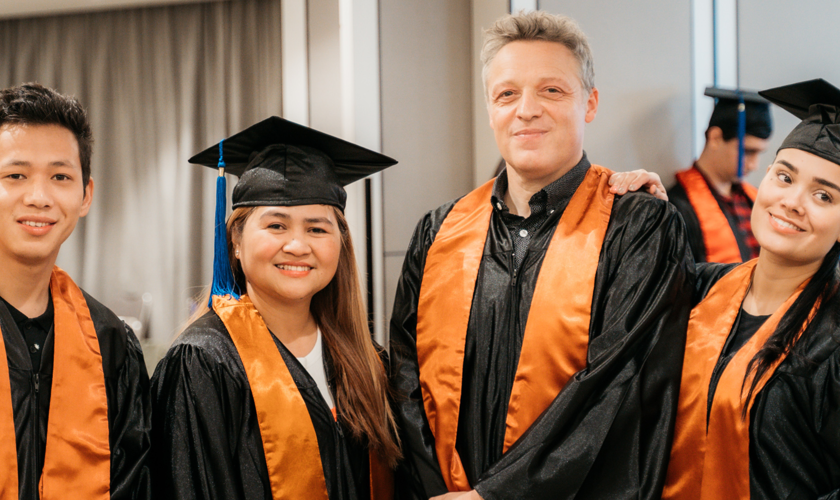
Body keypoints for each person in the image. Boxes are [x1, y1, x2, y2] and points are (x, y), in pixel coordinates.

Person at [389, 11, 693, 500]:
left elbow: (621, 386)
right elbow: (406, 379)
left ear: (589, 103)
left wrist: (496, 496)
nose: (526, 110)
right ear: (490, 109)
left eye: (551, 90)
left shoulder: (637, 226)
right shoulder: (438, 231)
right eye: (507, 94)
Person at [150, 117, 401, 500]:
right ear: (235, 240)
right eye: (277, 226)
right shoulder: (204, 363)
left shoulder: (367, 361)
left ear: (341, 243)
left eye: (317, 229)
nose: (298, 246)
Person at [663, 78, 840, 499]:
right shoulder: (701, 288)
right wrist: (637, 211)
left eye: (823, 196)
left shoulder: (832, 340)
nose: (792, 201)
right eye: (784, 176)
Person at [0, 83, 151, 499]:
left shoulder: (110, 343)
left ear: (86, 196)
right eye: (15, 175)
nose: (39, 197)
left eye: (60, 177)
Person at [668, 88, 773, 263]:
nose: (754, 165)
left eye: (759, 153)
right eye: (747, 151)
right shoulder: (677, 207)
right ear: (715, 137)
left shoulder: (755, 199)